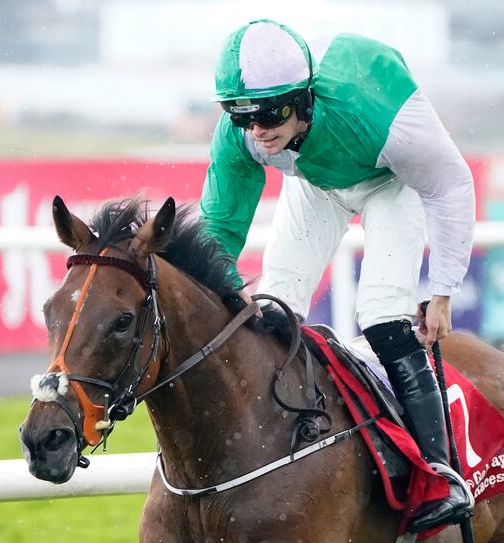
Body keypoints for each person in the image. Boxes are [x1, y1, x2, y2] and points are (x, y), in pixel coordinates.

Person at [200, 19, 476, 532]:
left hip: (391, 181)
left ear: (303, 98)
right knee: (272, 316)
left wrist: (441, 293)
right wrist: (223, 283)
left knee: (383, 319)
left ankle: (441, 475)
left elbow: (450, 185)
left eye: (269, 113)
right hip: (314, 184)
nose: (257, 130)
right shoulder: (244, 135)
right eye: (242, 117)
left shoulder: (375, 106)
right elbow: (220, 223)